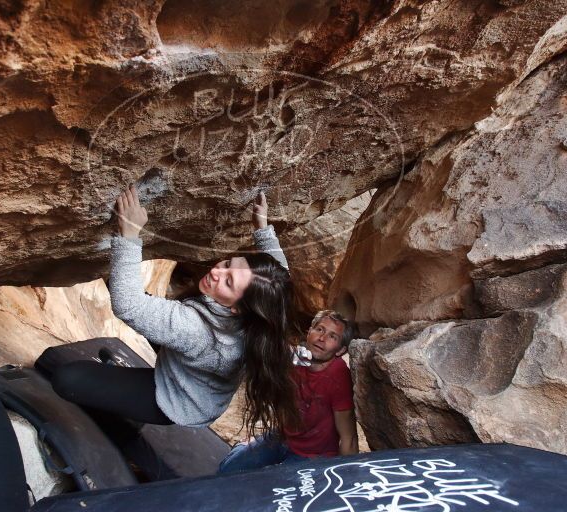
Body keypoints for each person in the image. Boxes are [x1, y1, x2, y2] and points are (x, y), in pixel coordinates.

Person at [51, 186, 299, 440]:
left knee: (67, 377)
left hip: (174, 399)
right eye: (227, 264)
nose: (216, 272)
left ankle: (124, 418)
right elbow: (279, 272)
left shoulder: (200, 334)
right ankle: (120, 392)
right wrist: (263, 228)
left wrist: (129, 234)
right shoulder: (267, 304)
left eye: (228, 282)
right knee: (148, 309)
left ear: (238, 307)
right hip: (194, 372)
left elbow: (129, 305)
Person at [218, 310, 359, 473]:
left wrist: (345, 478)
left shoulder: (337, 376)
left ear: (341, 350)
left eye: (332, 336)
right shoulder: (295, 359)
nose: (322, 338)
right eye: (320, 329)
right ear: (309, 332)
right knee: (228, 469)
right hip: (284, 437)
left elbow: (349, 438)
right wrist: (258, 444)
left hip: (315, 455)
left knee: (273, 488)